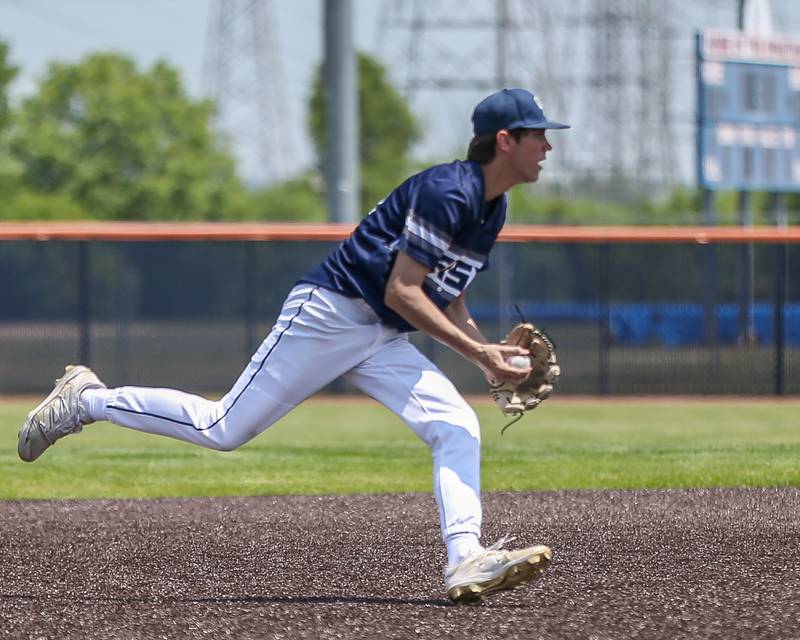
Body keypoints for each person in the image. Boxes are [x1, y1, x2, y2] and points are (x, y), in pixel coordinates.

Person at [18, 87, 569, 604]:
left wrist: (488, 355)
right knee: (222, 428)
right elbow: (403, 291)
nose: (546, 145)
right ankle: (87, 399)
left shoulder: (492, 207)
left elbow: (447, 297)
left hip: (380, 334)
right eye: (537, 135)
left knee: (455, 424)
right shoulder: (450, 191)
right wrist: (481, 355)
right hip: (330, 313)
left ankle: (465, 557)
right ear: (504, 141)